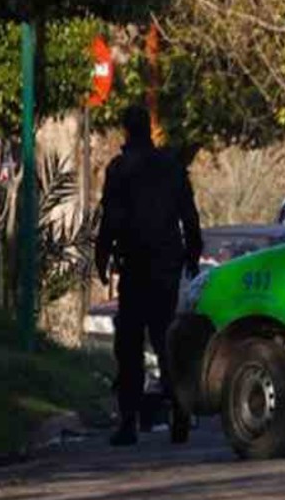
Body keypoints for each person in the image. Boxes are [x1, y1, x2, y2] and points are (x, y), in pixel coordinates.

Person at [95, 106, 202, 446]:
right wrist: (192, 254)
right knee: (163, 337)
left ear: (126, 130)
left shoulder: (121, 170)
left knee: (130, 344)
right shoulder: (170, 168)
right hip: (164, 265)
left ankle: (130, 420)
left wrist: (102, 255)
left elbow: (110, 219)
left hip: (137, 266)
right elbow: (189, 214)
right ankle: (179, 408)